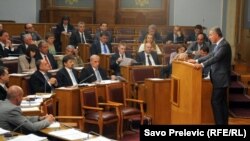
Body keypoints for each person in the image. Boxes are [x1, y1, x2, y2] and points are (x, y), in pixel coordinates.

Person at [188, 26, 232, 125]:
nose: (209, 37)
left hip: (221, 80)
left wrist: (202, 65)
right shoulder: (218, 45)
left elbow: (215, 58)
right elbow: (211, 55)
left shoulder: (224, 45)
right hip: (219, 79)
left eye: (211, 35)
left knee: (215, 102)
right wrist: (196, 60)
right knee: (222, 103)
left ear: (217, 35)